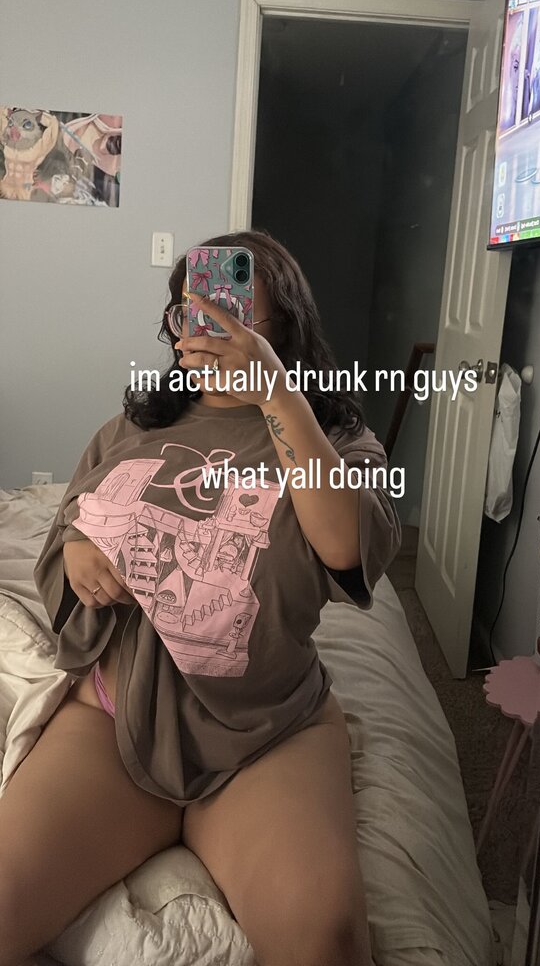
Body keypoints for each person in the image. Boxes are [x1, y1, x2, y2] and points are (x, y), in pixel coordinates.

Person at [0, 230, 401, 966]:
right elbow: (68, 525)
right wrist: (80, 545)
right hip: (114, 721)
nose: (208, 328)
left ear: (284, 328)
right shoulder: (133, 427)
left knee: (326, 941)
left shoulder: (337, 439)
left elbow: (347, 547)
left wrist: (276, 392)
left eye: (234, 313)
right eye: (191, 313)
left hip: (267, 732)